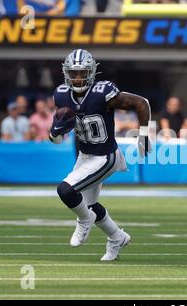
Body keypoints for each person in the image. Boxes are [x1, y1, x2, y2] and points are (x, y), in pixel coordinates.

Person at [49, 49, 151, 261]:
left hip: (105, 156)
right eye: (74, 73)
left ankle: (84, 221)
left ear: (92, 72)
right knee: (89, 204)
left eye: (83, 72)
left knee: (65, 190)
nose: (78, 78)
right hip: (85, 156)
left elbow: (142, 103)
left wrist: (144, 135)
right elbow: (57, 140)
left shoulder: (102, 92)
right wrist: (54, 132)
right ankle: (117, 237)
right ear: (66, 73)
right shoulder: (61, 95)